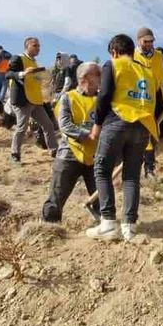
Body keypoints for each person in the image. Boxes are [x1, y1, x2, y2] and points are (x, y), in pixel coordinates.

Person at [87, 34, 157, 241]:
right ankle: (129, 227)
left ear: (115, 51)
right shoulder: (147, 71)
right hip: (143, 126)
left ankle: (108, 222)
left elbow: (105, 94)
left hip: (118, 120)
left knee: (101, 168)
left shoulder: (114, 64)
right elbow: (157, 101)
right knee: (131, 176)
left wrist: (97, 124)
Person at [42, 62, 102, 224]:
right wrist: (89, 135)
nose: (101, 78)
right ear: (84, 79)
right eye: (97, 74)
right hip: (69, 154)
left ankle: (103, 226)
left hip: (95, 157)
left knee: (102, 199)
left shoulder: (103, 100)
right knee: (56, 199)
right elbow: (65, 125)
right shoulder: (68, 98)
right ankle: (49, 228)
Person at [8, 37, 59, 164]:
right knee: (22, 127)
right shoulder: (18, 58)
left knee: (48, 124)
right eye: (35, 45)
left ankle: (54, 150)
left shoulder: (35, 63)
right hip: (23, 100)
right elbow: (8, 74)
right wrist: (21, 74)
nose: (38, 48)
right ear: (27, 46)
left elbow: (35, 80)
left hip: (36, 100)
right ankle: (15, 154)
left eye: (39, 46)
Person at [135, 27, 163, 176]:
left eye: (151, 41)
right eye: (145, 41)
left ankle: (149, 165)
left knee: (153, 132)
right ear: (139, 40)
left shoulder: (160, 56)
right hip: (139, 97)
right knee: (144, 132)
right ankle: (147, 167)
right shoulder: (132, 55)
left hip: (157, 95)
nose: (149, 44)